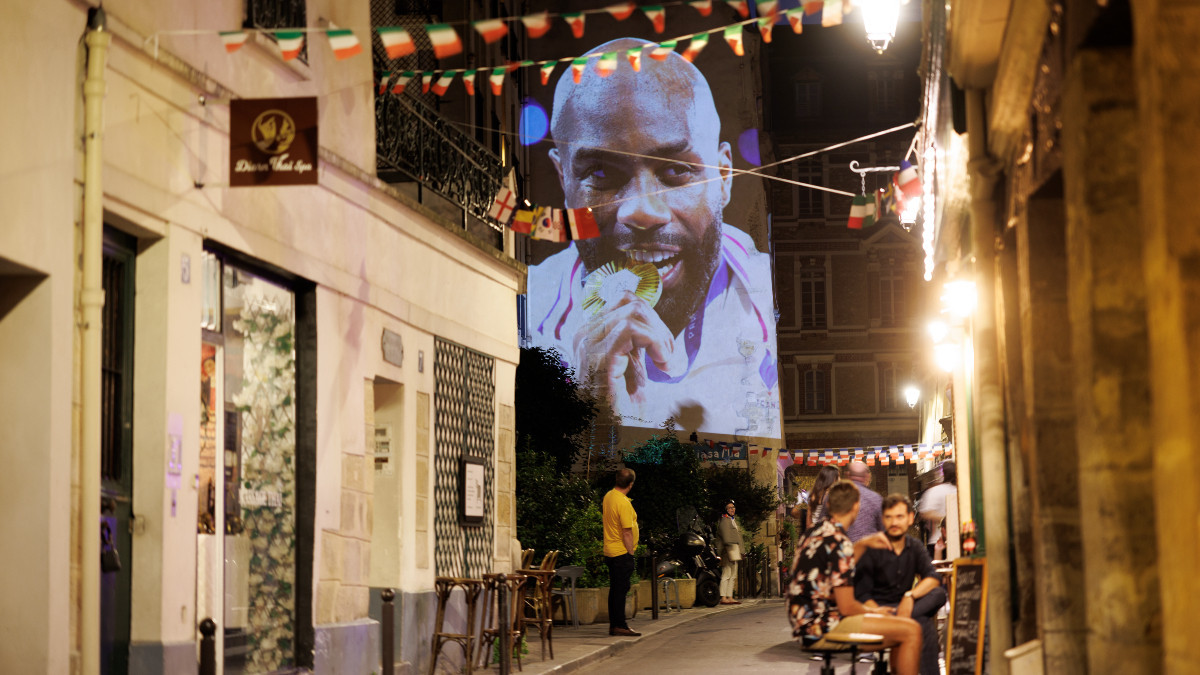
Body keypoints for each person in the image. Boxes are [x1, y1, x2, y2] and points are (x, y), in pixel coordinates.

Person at [528, 37, 779, 438]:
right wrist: (587, 406)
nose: (642, 210)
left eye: (676, 171)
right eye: (600, 174)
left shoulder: (770, 303)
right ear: (564, 180)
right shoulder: (528, 318)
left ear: (724, 176)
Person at [787, 481, 922, 675]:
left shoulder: (813, 533)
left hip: (802, 623)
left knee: (898, 630)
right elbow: (847, 607)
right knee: (911, 630)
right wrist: (874, 611)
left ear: (829, 506)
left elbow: (827, 584)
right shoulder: (840, 542)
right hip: (821, 627)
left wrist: (862, 546)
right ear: (856, 506)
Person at [855, 494, 948, 675]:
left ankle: (907, 614)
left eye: (899, 517)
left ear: (910, 518)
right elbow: (862, 594)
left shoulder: (913, 546)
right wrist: (882, 613)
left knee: (938, 594)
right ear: (883, 520)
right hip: (879, 611)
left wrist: (910, 596)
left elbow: (932, 576)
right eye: (889, 517)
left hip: (907, 606)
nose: (894, 522)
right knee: (924, 624)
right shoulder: (873, 548)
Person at [602, 468, 641, 637]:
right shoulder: (623, 503)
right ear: (630, 484)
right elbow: (627, 532)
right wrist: (630, 554)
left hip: (610, 550)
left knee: (615, 590)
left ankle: (615, 624)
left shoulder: (609, 496)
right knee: (621, 590)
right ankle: (620, 625)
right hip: (621, 552)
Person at [917, 460, 957, 559]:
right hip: (957, 539)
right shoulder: (960, 489)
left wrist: (947, 520)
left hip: (937, 541)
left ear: (943, 473)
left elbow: (925, 512)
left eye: (938, 471)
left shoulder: (934, 491)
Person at [845, 460, 884, 542]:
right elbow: (883, 528)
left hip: (841, 551)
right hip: (869, 550)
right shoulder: (876, 499)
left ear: (847, 475)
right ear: (867, 476)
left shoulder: (833, 497)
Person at [795, 465, 841, 531]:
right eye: (838, 476)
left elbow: (809, 518)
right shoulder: (830, 494)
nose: (840, 479)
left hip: (815, 531)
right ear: (831, 478)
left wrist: (810, 533)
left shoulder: (815, 493)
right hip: (827, 532)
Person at [716, 500, 744, 605]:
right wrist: (734, 547)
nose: (732, 509)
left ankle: (730, 596)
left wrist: (741, 550)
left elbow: (738, 537)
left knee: (733, 575)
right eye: (730, 508)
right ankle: (723, 597)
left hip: (735, 550)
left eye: (733, 507)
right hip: (727, 550)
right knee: (726, 574)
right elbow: (726, 538)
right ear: (726, 510)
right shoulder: (724, 521)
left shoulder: (732, 520)